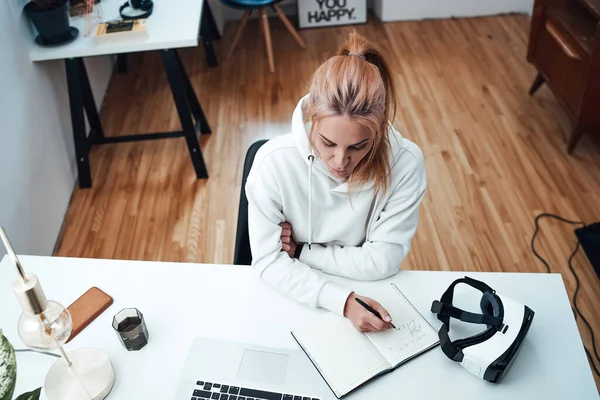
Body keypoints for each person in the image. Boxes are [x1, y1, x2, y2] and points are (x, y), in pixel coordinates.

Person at [245, 30, 426, 333]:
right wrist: (343, 302)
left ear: (379, 130)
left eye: (359, 147)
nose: (340, 162)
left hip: (361, 285)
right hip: (295, 297)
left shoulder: (405, 163)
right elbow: (267, 262)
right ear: (311, 118)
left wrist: (301, 252)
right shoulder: (273, 162)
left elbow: (382, 262)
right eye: (327, 143)